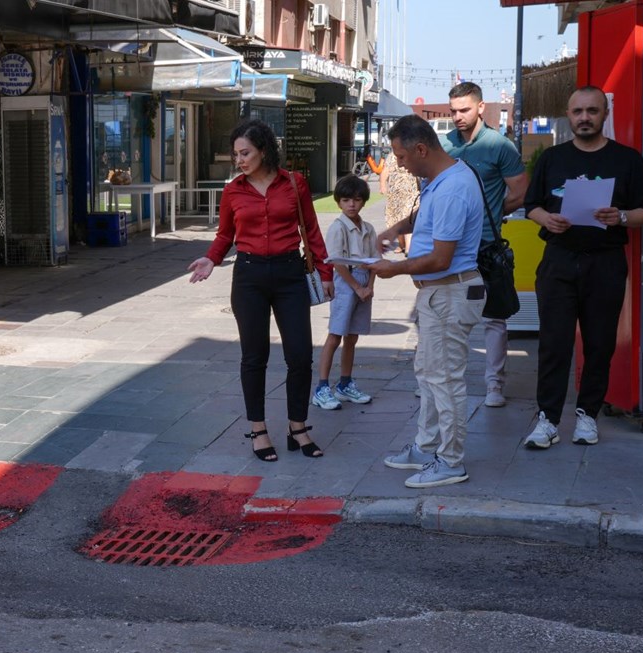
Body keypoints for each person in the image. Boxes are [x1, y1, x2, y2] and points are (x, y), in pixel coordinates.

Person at [188, 118, 334, 462]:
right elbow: (226, 235)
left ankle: (297, 427)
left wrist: (326, 273)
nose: (239, 160)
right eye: (235, 154)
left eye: (245, 153)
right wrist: (211, 259)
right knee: (255, 357)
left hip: (290, 274)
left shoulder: (295, 183)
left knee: (300, 355)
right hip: (249, 276)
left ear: (264, 150)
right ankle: (258, 429)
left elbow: (311, 231)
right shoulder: (232, 191)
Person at [522, 85, 643, 449]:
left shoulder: (628, 160)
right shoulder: (552, 158)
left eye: (592, 111)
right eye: (578, 111)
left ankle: (587, 416)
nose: (584, 117)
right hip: (559, 262)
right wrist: (545, 220)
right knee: (553, 343)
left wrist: (622, 216)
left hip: (606, 263)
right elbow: (531, 204)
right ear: (568, 114)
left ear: (604, 114)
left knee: (599, 344)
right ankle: (547, 420)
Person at [366, 114, 485, 488]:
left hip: (450, 291)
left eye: (400, 156)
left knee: (445, 380)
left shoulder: (451, 187)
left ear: (421, 149)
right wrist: (397, 228)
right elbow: (425, 216)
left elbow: (440, 259)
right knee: (430, 374)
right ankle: (425, 445)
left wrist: (393, 268)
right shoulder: (444, 178)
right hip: (440, 294)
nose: (398, 163)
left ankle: (450, 461)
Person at [440, 82, 529, 409]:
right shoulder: (445, 144)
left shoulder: (498, 146)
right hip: (449, 248)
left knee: (493, 318)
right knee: (449, 318)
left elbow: (520, 191)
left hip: (486, 247)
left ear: (480, 107)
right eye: (453, 111)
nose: (457, 117)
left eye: (463, 109)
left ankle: (494, 384)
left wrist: (493, 211)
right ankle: (447, 382)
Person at [314, 174, 379, 410]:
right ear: (338, 202)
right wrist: (357, 287)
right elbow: (337, 263)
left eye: (357, 199)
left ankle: (344, 382)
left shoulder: (368, 228)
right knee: (336, 334)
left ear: (364, 201)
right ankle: (322, 386)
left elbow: (374, 260)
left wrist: (369, 286)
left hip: (363, 279)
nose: (352, 204)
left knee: (353, 336)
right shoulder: (338, 227)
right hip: (346, 280)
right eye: (346, 200)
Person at [379, 149, 418, 255]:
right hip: (395, 193)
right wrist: (383, 185)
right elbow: (385, 170)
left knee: (408, 216)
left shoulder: (413, 153)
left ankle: (409, 248)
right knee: (396, 219)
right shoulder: (392, 155)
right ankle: (401, 245)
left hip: (411, 191)